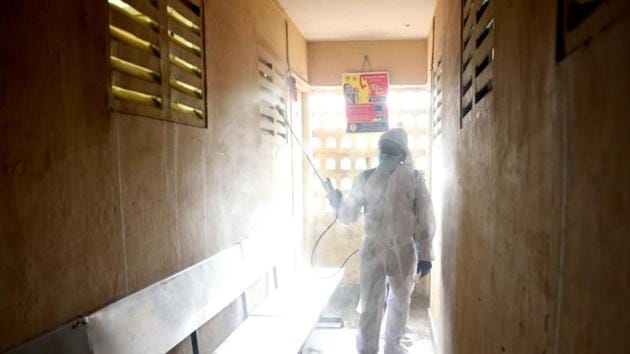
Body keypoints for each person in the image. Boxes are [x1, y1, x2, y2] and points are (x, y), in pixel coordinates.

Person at [324, 128, 436, 354]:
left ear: (402, 154)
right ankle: (367, 351)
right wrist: (336, 202)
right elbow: (349, 214)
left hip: (403, 251)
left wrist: (425, 253)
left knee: (400, 303)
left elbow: (425, 216)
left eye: (390, 150)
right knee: (369, 307)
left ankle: (393, 348)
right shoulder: (365, 178)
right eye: (382, 149)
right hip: (373, 249)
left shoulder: (414, 180)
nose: (384, 154)